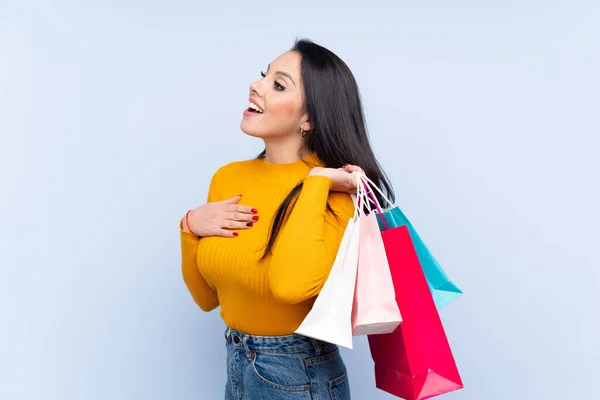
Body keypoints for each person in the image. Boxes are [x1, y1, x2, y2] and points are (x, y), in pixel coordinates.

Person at [180, 39, 395, 400]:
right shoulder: (228, 178)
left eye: (277, 84)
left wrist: (317, 182)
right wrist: (188, 227)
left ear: (309, 118)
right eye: (264, 76)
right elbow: (207, 298)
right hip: (237, 361)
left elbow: (291, 287)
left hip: (298, 373)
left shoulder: (339, 190)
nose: (256, 85)